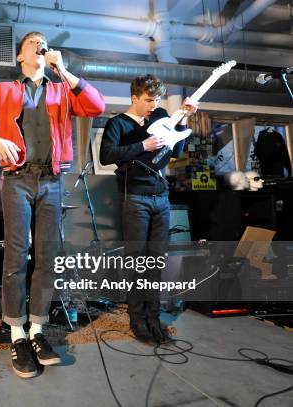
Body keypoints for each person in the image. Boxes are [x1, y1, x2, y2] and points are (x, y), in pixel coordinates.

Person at [0, 31, 105, 378]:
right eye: (33, 43)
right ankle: (16, 333)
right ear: (19, 57)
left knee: (47, 256)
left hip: (51, 180)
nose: (40, 46)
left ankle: (38, 330)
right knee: (17, 255)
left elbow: (96, 106)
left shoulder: (61, 89)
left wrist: (65, 69)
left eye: (44, 43)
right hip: (17, 180)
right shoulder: (5, 91)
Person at [99, 75, 198, 344]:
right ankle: (137, 319)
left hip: (161, 197)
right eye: (148, 100)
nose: (153, 105)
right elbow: (106, 156)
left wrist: (184, 120)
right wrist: (143, 145)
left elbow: (177, 150)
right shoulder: (117, 123)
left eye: (156, 100)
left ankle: (154, 319)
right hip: (134, 198)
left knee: (156, 262)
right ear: (134, 98)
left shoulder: (162, 117)